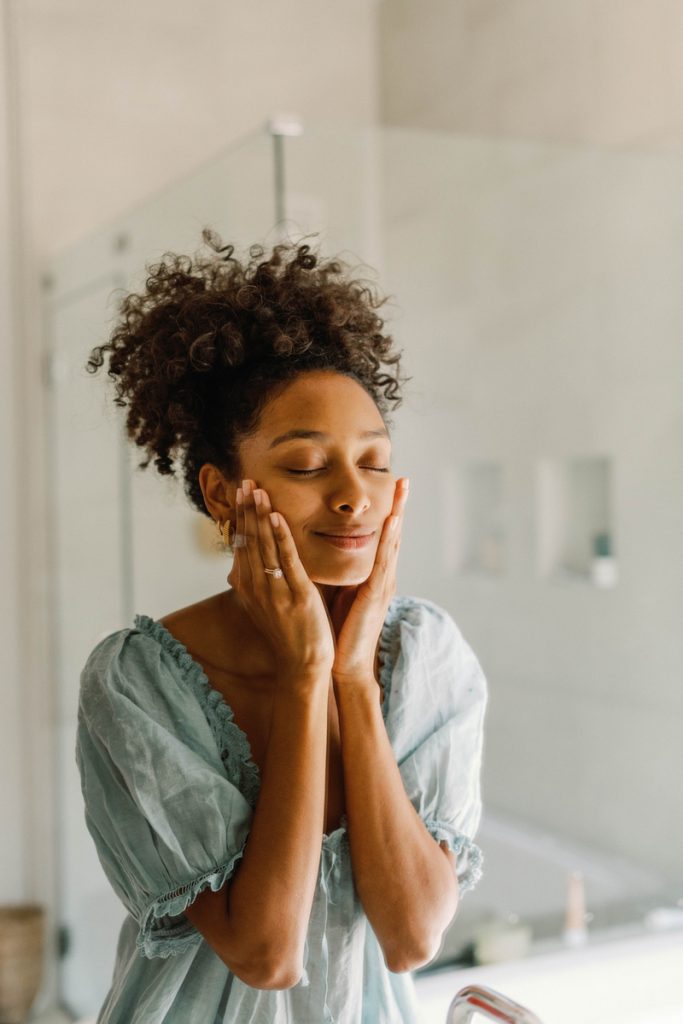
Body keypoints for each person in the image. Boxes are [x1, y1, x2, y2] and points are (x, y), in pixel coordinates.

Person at [75, 230, 488, 1023]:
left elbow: (410, 937)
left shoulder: (425, 654)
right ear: (224, 491)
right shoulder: (134, 680)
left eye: (372, 461)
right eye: (304, 467)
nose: (352, 496)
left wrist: (352, 678)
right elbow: (265, 954)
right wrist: (306, 679)